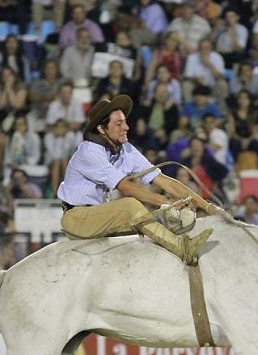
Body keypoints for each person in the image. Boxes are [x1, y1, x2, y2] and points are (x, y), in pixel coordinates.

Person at [56, 95, 215, 265]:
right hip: (78, 219)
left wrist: (207, 206)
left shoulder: (126, 150)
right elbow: (127, 188)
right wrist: (168, 202)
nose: (126, 127)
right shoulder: (89, 152)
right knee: (130, 205)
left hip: (101, 216)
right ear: (102, 129)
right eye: (119, 124)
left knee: (152, 226)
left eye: (125, 122)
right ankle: (183, 249)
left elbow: (163, 180)